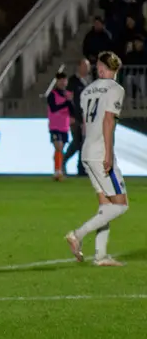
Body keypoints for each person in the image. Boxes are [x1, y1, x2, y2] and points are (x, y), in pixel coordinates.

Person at [66, 52, 128, 266]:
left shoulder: (86, 91)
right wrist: (109, 153)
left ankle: (100, 256)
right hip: (101, 152)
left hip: (87, 151)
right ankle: (77, 234)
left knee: (105, 206)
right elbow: (108, 120)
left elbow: (85, 123)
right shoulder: (116, 89)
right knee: (120, 205)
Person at [64, 59, 91, 176]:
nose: (87, 69)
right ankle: (63, 160)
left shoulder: (89, 81)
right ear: (79, 67)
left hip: (86, 116)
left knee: (84, 143)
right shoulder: (72, 81)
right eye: (85, 66)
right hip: (76, 117)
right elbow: (68, 100)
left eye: (88, 67)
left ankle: (81, 168)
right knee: (77, 142)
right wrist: (71, 115)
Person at [47, 72, 73, 181]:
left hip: (64, 126)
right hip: (54, 125)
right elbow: (53, 108)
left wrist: (70, 103)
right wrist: (66, 103)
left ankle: (58, 170)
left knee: (60, 149)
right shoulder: (52, 94)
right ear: (57, 81)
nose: (63, 82)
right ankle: (58, 171)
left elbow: (72, 109)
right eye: (60, 80)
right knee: (59, 146)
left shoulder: (68, 94)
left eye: (64, 80)